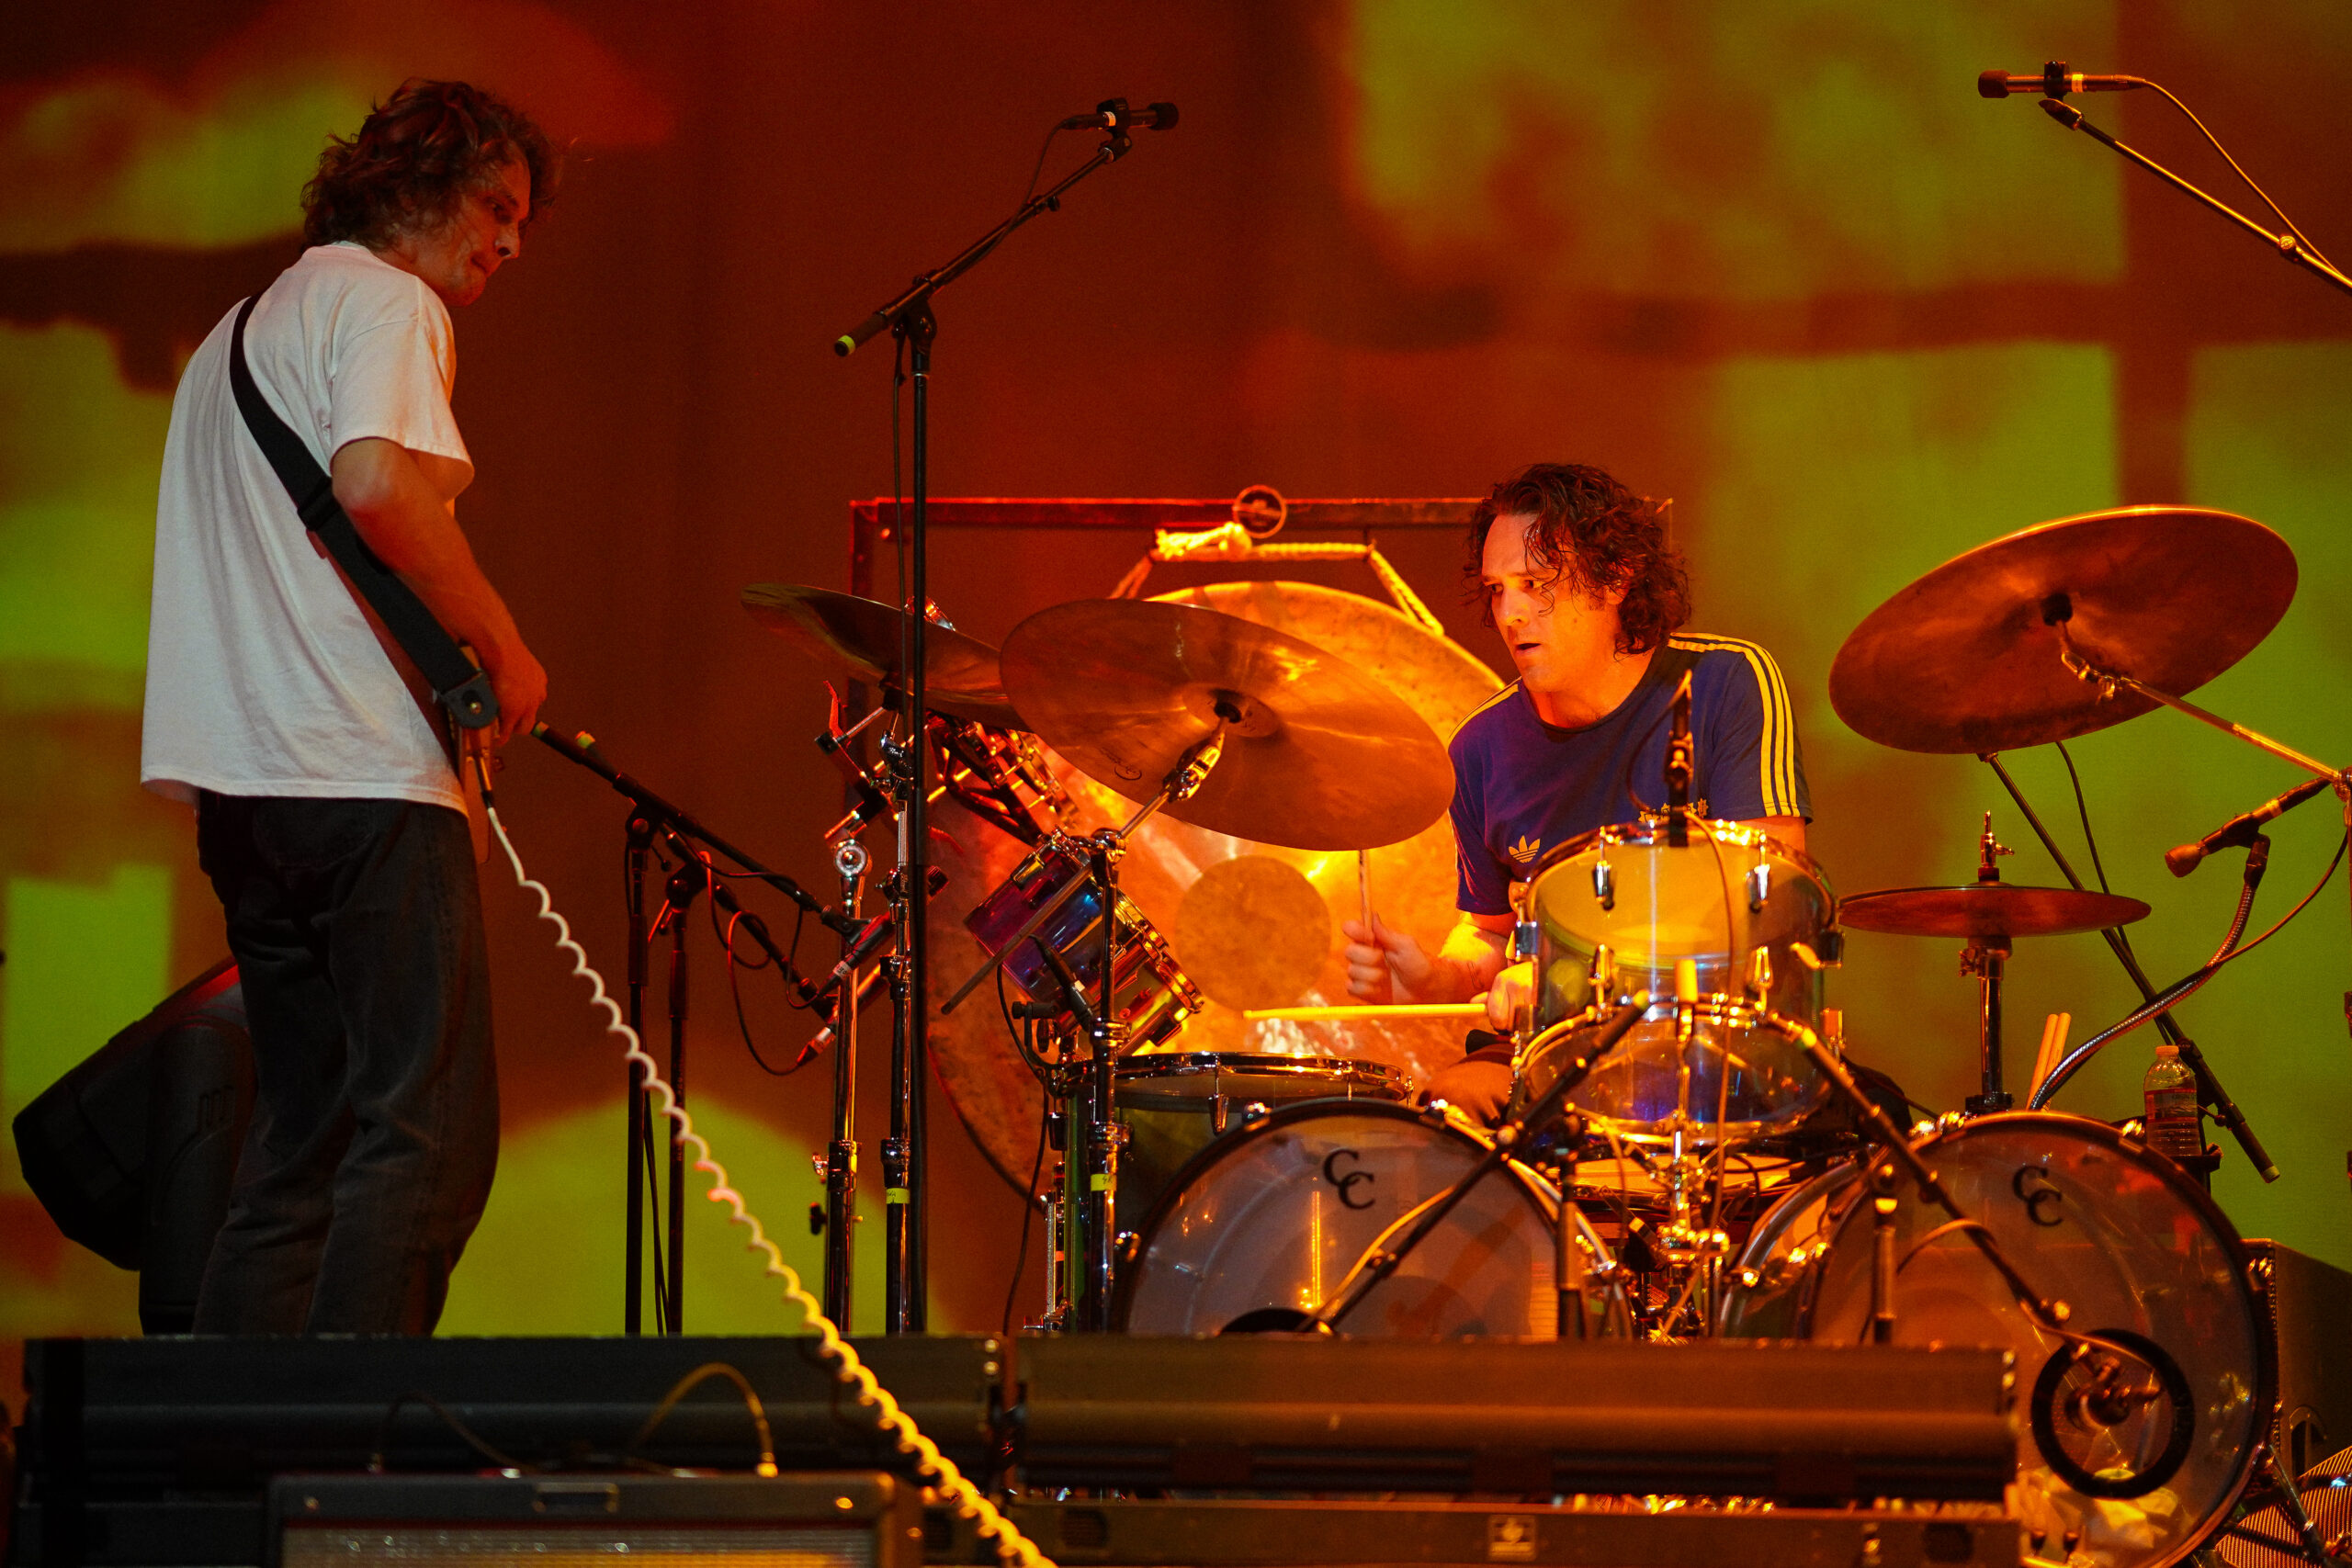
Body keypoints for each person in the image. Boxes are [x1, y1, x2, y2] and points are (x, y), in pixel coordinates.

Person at [140, 80, 557, 1333]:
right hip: (359, 780)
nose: (509, 244)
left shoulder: (236, 331)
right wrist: (506, 645)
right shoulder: (387, 301)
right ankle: (355, 1462)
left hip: (243, 786)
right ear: (419, 186)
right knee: (425, 1139)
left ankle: (231, 1471)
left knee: (301, 1144)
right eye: (497, 207)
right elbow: (376, 485)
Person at [1342, 462, 1810, 1122]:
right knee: (1444, 1114)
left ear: (1616, 578)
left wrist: (1570, 981)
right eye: (1498, 590)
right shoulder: (1479, 748)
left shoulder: (1726, 683)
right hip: (1539, 1063)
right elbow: (1486, 935)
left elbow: (1772, 895)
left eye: (1536, 585)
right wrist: (1430, 979)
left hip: (1718, 1042)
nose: (1511, 613)